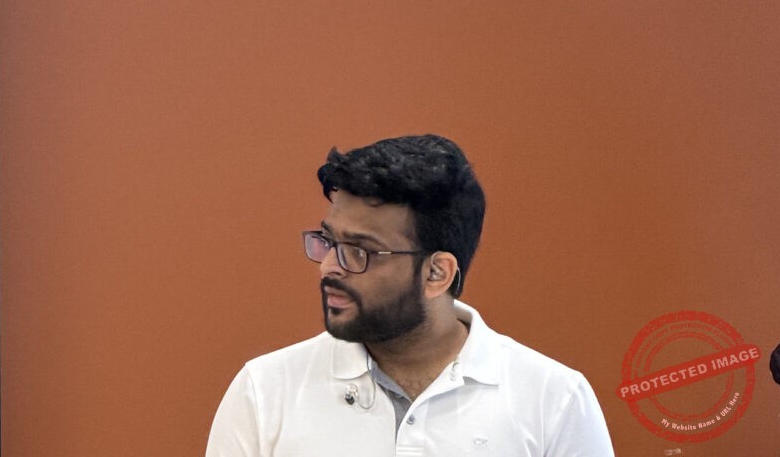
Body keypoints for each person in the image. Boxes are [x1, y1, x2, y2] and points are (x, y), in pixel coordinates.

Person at [206, 134, 614, 456]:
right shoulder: (264, 391)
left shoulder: (554, 400)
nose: (329, 267)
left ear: (437, 273)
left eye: (359, 251)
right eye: (328, 241)